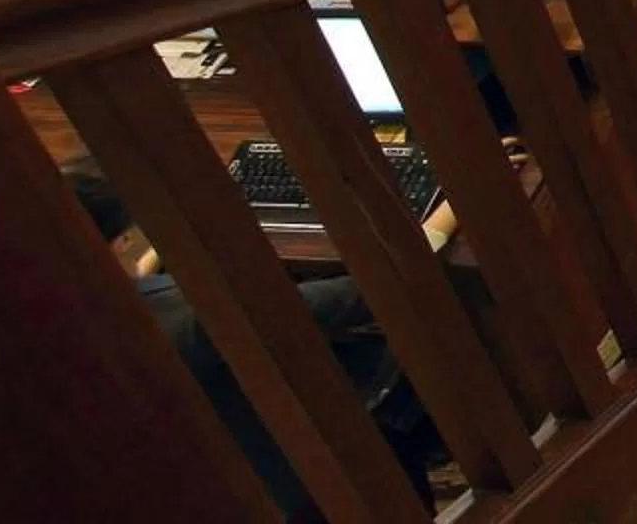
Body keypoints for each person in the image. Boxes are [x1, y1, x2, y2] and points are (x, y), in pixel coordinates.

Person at [69, 169, 449, 519]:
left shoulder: (53, 323)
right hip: (309, 483)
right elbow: (376, 288)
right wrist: (445, 213)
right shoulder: (199, 320)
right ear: (118, 242)